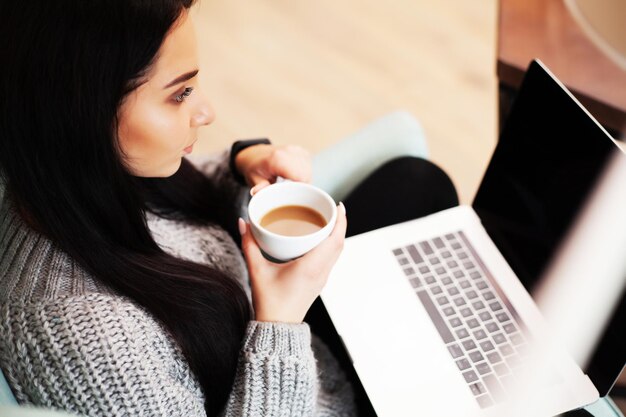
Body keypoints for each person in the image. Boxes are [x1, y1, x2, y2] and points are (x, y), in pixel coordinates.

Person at [0, 1, 457, 416]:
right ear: (82, 114)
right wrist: (280, 318)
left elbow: (172, 197)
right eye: (180, 94)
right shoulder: (90, 340)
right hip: (288, 378)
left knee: (417, 182)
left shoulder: (64, 177)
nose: (207, 112)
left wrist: (244, 161)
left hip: (286, 339)